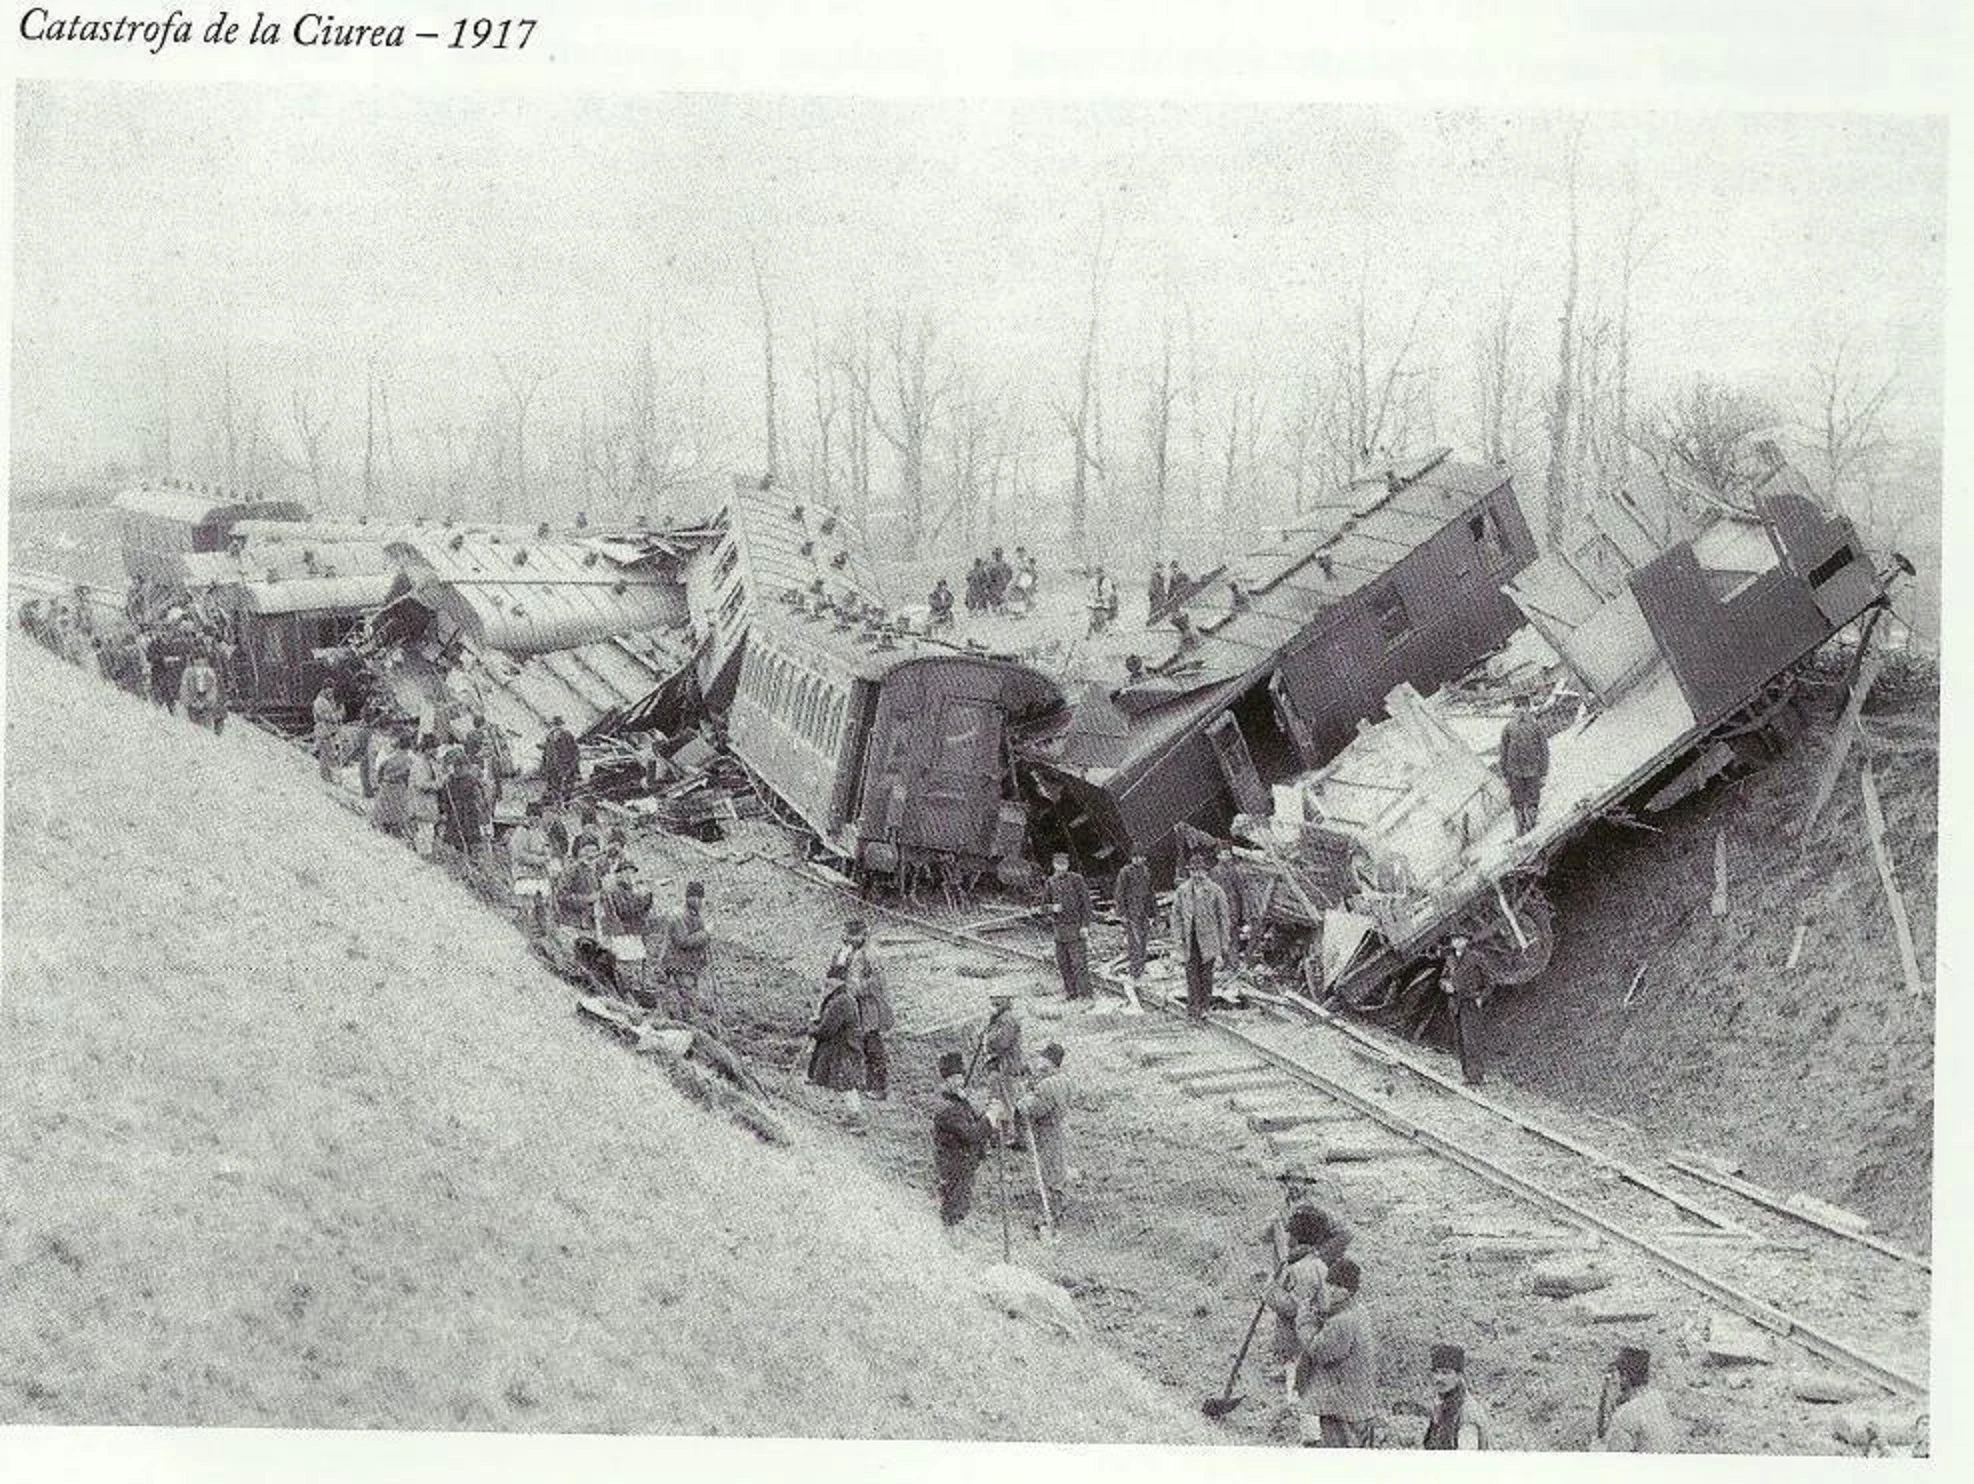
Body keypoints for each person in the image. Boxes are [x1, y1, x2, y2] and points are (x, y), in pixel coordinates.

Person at [1293, 1257, 1375, 1448]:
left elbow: (1318, 1351)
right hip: (1354, 1404)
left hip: (1340, 1407)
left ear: (1348, 1291)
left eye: (1337, 1286)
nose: (1330, 1290)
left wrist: (1305, 1321)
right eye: (1330, 1284)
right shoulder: (1358, 1311)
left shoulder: (1342, 1321)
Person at [1262, 1208, 1332, 1400]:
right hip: (1310, 1334)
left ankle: (1294, 1396)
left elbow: (1294, 1308)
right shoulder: (1313, 1263)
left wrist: (1270, 1291)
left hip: (1306, 1339)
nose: (1287, 1238)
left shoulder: (1304, 1269)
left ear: (1295, 1237)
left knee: (1297, 1392)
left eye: (1290, 1233)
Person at [830, 919, 893, 1103]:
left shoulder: (871, 953)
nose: (848, 940)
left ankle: (879, 1086)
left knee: (872, 1044)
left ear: (863, 936)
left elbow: (878, 981)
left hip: (869, 1006)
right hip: (854, 1003)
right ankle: (857, 1079)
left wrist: (858, 989)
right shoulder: (850, 952)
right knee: (853, 1041)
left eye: (852, 937)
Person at [932, 1050, 994, 1232]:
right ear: (946, 1081)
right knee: (954, 1206)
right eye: (955, 1078)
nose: (960, 1082)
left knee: (959, 1203)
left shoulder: (956, 1101)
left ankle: (952, 1233)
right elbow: (971, 1134)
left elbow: (972, 1119)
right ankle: (950, 1236)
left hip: (962, 1162)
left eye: (961, 1077)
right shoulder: (948, 1108)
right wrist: (990, 1117)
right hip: (955, 1163)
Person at [1256, 1160, 1353, 1269]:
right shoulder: (1281, 1212)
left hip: (1308, 1267)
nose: (1293, 1185)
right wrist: (1274, 1224)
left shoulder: (1317, 1210)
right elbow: (1263, 1237)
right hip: (1286, 1266)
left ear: (1305, 1184)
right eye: (1290, 1180)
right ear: (1285, 1183)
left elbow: (1346, 1233)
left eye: (1298, 1180)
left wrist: (1320, 1254)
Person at [1170, 852, 1232, 1018]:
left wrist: (1223, 945)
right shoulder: (1182, 891)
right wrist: (1178, 940)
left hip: (1209, 940)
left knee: (1206, 975)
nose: (1197, 874)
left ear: (1205, 871)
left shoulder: (1215, 890)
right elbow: (1176, 916)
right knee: (1191, 975)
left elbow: (1224, 919)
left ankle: (1204, 1007)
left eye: (1200, 871)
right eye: (1193, 871)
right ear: (1189, 871)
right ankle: (1193, 1009)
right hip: (1190, 940)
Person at [807, 954, 867, 1124]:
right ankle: (851, 1114)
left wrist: (812, 1030)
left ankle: (856, 1117)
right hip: (846, 1045)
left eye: (829, 981)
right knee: (844, 1083)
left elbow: (827, 1030)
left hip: (844, 1047)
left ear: (836, 982)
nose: (826, 984)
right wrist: (820, 1021)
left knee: (846, 1084)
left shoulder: (841, 1001)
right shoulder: (843, 997)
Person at [1014, 1041, 1070, 1221]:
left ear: (1048, 1062)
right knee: (1057, 1166)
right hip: (1057, 1128)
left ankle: (1049, 1211)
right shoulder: (1064, 1079)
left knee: (1047, 1169)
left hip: (1046, 1131)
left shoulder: (1048, 1085)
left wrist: (1022, 1100)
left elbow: (1033, 1109)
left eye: (1041, 1058)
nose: (1037, 1062)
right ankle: (1055, 1201)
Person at [1597, 1345, 1676, 1452]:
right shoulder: (1656, 1398)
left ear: (1624, 1377)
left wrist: (1606, 1394)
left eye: (1615, 1374)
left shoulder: (1626, 1414)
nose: (1612, 1379)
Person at [599, 858, 655, 1002]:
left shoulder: (630, 891)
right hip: (621, 933)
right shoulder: (616, 891)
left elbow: (640, 911)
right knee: (625, 963)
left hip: (631, 931)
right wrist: (645, 898)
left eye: (632, 873)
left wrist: (647, 899)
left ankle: (633, 993)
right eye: (626, 872)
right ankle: (625, 993)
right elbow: (626, 910)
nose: (630, 876)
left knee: (635, 963)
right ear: (619, 874)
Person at [1040, 852, 1094, 1002]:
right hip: (1059, 932)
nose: (1062, 867)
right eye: (1059, 864)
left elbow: (1087, 904)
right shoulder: (1050, 882)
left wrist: (1085, 925)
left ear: (1068, 865)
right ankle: (1071, 994)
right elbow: (1042, 907)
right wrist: (1052, 908)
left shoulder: (1077, 879)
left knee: (1079, 964)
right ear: (1054, 865)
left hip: (1076, 929)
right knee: (1063, 965)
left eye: (1064, 864)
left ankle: (1086, 995)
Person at [656, 881, 712, 1018]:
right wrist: (705, 934)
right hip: (678, 963)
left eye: (700, 898)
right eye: (695, 897)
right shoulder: (678, 916)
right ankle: (682, 1019)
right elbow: (683, 941)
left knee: (689, 995)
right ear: (688, 898)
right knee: (687, 994)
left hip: (688, 963)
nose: (699, 901)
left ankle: (684, 1018)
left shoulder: (694, 915)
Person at [1422, 1343, 1494, 1449]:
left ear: (1459, 1376)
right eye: (1436, 1372)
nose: (1439, 1378)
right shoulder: (1442, 1404)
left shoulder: (1467, 1412)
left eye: (1445, 1373)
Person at [974, 990, 1026, 1132]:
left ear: (1005, 1000)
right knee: (999, 1102)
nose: (993, 1002)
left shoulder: (1007, 1019)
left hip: (1005, 1068)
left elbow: (1001, 1043)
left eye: (997, 998)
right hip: (1000, 1067)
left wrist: (987, 1039)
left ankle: (1009, 1133)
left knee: (1005, 1103)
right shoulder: (1000, 1018)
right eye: (992, 998)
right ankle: (1003, 1132)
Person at [1499, 694, 1550, 836]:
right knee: (1518, 803)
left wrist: (1543, 772)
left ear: (1529, 708)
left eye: (1524, 707)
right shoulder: (1508, 729)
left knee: (1533, 801)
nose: (1521, 711)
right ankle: (1521, 832)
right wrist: (1504, 774)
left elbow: (1544, 750)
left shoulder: (1536, 727)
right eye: (1518, 707)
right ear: (1514, 710)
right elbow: (1503, 752)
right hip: (1514, 773)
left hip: (1533, 771)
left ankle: (1532, 830)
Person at [1442, 936, 1489, 1087]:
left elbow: (1489, 980)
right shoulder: (1450, 959)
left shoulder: (1476, 957)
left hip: (1470, 1002)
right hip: (1455, 1003)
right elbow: (1443, 979)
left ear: (1466, 941)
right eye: (1455, 939)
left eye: (1461, 939)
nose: (1457, 942)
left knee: (1471, 1040)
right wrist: (1446, 986)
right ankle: (1466, 1074)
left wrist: (1481, 997)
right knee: (1460, 1040)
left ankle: (1476, 1076)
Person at [438, 747, 493, 872]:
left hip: (468, 815)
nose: (459, 769)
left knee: (468, 841)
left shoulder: (470, 781)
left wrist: (483, 814)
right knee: (459, 840)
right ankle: (464, 865)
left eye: (461, 767)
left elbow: (480, 799)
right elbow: (444, 799)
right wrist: (444, 810)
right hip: (458, 815)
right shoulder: (450, 782)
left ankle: (470, 865)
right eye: (457, 767)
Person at [506, 803, 554, 930]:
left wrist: (547, 854)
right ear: (528, 816)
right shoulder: (521, 831)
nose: (535, 821)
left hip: (538, 873)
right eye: (533, 817)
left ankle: (541, 927)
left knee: (542, 900)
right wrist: (539, 860)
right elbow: (519, 855)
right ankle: (524, 924)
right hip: (524, 872)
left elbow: (546, 848)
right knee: (527, 900)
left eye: (538, 818)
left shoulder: (539, 832)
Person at [1114, 852, 1152, 983]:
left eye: (1140, 857)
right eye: (1135, 857)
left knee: (1143, 942)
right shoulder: (1125, 872)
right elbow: (1119, 893)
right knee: (1134, 943)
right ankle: (1134, 972)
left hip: (1143, 913)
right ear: (1131, 858)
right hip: (1130, 913)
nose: (1138, 859)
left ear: (1144, 858)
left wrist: (1153, 913)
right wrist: (1122, 913)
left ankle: (1141, 969)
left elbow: (1150, 893)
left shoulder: (1146, 872)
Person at [1211, 844, 1248, 972]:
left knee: (1233, 934)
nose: (1227, 857)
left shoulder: (1234, 871)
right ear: (1218, 856)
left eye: (1228, 854)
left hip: (1233, 906)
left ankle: (1233, 963)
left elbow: (1240, 891)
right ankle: (1222, 962)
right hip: (1220, 907)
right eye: (1224, 854)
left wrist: (1241, 910)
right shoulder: (1214, 872)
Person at [556, 836, 605, 932]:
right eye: (587, 850)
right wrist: (586, 899)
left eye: (594, 851)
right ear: (578, 852)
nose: (591, 854)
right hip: (572, 923)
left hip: (592, 923)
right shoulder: (572, 870)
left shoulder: (598, 870)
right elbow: (561, 896)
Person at [371, 730, 413, 840]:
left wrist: (380, 783)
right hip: (399, 788)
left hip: (386, 786)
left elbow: (379, 772)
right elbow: (408, 777)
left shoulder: (389, 757)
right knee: (396, 813)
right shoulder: (409, 761)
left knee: (383, 811)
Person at [406, 737, 442, 858]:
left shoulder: (429, 762)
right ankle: (423, 855)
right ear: (426, 749)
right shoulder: (420, 764)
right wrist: (438, 784)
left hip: (427, 802)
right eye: (434, 748)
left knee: (427, 830)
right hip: (421, 802)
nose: (436, 751)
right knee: (424, 830)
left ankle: (425, 854)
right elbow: (421, 784)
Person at [539, 715, 581, 808]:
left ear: (561, 725)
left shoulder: (567, 735)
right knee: (553, 786)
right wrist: (544, 766)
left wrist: (571, 767)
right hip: (552, 767)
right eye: (555, 725)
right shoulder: (550, 736)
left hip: (565, 766)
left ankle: (566, 806)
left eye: (558, 725)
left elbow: (576, 752)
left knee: (566, 788)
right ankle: (555, 805)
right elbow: (546, 753)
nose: (556, 727)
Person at [178, 652, 224, 733]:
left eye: (202, 659)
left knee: (206, 727)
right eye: (196, 659)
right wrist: (190, 702)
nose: (199, 661)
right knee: (193, 727)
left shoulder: (210, 672)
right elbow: (184, 689)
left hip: (206, 705)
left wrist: (206, 702)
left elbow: (213, 689)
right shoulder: (188, 672)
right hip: (192, 704)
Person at [311, 684, 343, 783]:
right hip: (323, 729)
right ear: (324, 689)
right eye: (328, 691)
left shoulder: (329, 701)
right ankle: (325, 777)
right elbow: (324, 715)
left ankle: (329, 776)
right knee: (325, 753)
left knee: (331, 753)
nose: (330, 693)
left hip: (330, 731)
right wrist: (336, 716)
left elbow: (334, 714)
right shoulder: (319, 701)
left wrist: (338, 714)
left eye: (331, 692)